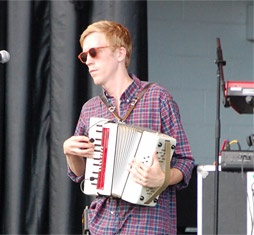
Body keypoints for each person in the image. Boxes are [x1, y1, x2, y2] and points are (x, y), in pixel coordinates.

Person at [63, 20, 194, 234]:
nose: (88, 61)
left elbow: (185, 161)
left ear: (120, 53)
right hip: (102, 225)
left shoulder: (157, 97)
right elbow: (82, 174)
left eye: (94, 52)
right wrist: (70, 153)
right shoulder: (90, 109)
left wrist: (162, 179)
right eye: (84, 56)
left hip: (149, 225)